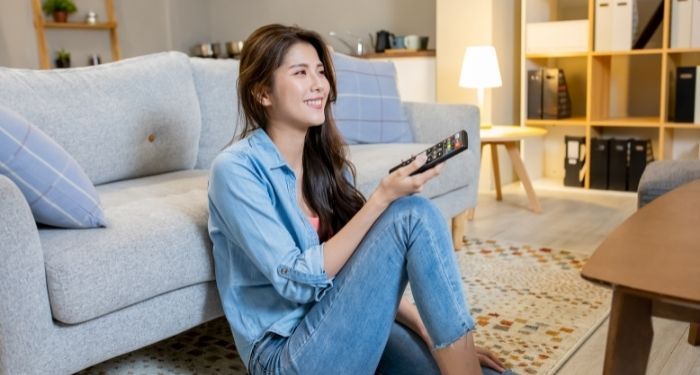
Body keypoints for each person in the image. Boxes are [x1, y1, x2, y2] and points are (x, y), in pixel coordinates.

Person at [208, 24, 512, 375]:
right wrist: (380, 199)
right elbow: (298, 282)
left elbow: (360, 273)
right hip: (287, 356)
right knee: (410, 213)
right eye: (301, 73)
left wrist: (431, 332)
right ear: (263, 93)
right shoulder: (236, 171)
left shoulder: (325, 166)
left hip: (337, 321)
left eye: (320, 71)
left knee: (487, 370)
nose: (319, 84)